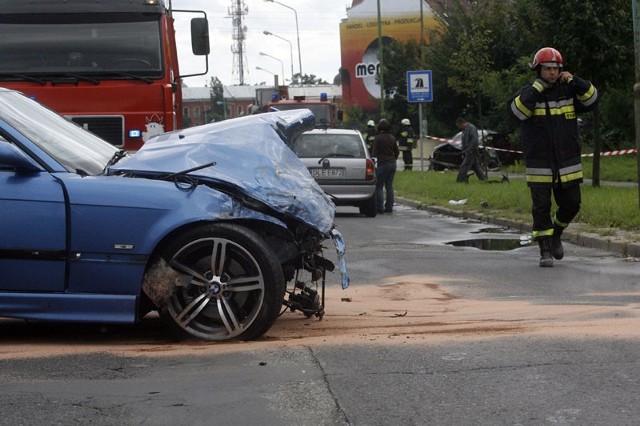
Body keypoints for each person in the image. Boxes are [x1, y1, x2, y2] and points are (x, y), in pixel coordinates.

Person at [508, 47, 598, 267]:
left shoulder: (568, 91)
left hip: (567, 162)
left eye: (556, 69)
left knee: (573, 204)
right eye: (547, 69)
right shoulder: (529, 93)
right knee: (541, 208)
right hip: (540, 162)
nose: (552, 73)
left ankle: (556, 233)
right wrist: (538, 88)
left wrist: (576, 81)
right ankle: (545, 249)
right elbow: (517, 112)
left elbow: (593, 100)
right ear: (538, 70)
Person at [372, 118, 399, 214]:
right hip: (392, 164)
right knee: (389, 186)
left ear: (379, 127)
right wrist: (393, 159)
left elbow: (374, 153)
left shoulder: (378, 138)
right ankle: (389, 207)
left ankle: (380, 208)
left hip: (383, 164)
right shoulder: (392, 138)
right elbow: (397, 151)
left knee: (379, 186)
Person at [455, 117, 487, 183]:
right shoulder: (464, 130)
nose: (459, 127)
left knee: (464, 166)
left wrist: (469, 150)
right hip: (467, 150)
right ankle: (484, 179)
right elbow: (464, 141)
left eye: (459, 126)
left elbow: (474, 140)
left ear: (462, 123)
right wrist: (463, 151)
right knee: (476, 167)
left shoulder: (471, 128)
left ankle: (460, 181)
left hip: (472, 150)